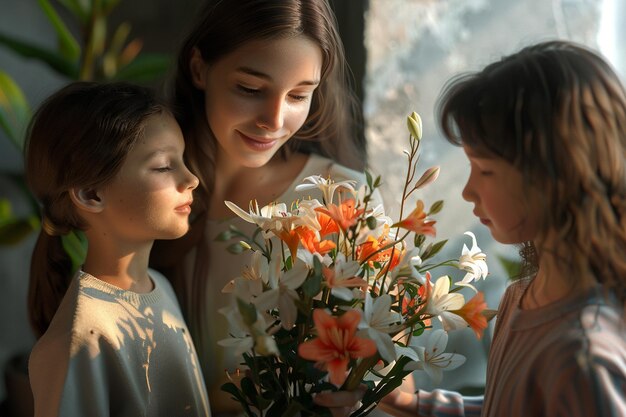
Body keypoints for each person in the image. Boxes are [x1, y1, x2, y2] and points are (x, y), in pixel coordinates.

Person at [319, 39, 626, 417]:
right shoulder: (522, 297)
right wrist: (408, 403)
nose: (467, 191)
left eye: (485, 170)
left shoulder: (584, 357)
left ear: (554, 176)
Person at [149, 0, 377, 414]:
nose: (273, 120)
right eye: (251, 89)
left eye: (298, 95)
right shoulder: (155, 189)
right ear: (199, 69)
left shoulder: (338, 199)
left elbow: (389, 370)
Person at [25, 81, 211, 417]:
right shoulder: (82, 336)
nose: (191, 178)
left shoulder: (159, 286)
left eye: (181, 159)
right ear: (90, 194)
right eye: (164, 166)